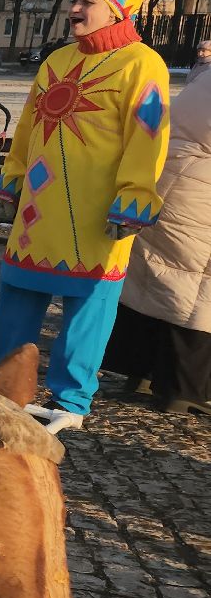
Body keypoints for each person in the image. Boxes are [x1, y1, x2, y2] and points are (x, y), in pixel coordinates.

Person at [0, 0, 171, 416]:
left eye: (85, 2)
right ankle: (3, 386)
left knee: (88, 307)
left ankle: (70, 399)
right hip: (37, 211)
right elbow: (29, 128)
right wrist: (11, 181)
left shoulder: (143, 65)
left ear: (114, 12)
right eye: (74, 0)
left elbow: (147, 137)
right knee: (17, 296)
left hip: (98, 215)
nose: (73, 9)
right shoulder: (57, 61)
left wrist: (134, 196)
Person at [103, 70, 210, 416]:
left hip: (168, 180)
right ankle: (182, 388)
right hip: (201, 194)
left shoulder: (204, 79)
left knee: (153, 283)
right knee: (195, 293)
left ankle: (140, 372)